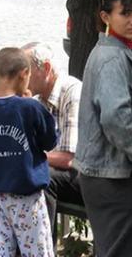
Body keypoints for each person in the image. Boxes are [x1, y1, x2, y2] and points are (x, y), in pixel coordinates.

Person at [74, 0, 132, 257]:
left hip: (110, 173)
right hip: (116, 176)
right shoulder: (112, 58)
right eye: (126, 14)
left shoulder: (112, 53)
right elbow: (115, 118)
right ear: (106, 17)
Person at [0, 47, 57, 256]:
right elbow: (50, 141)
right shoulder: (30, 108)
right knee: (38, 250)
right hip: (26, 195)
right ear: (24, 74)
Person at [21, 42, 83, 238]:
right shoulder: (38, 101)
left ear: (46, 68)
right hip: (62, 173)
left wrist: (30, 157)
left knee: (41, 177)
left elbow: (68, 158)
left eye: (27, 71)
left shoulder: (73, 92)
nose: (22, 77)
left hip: (87, 174)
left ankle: (43, 248)